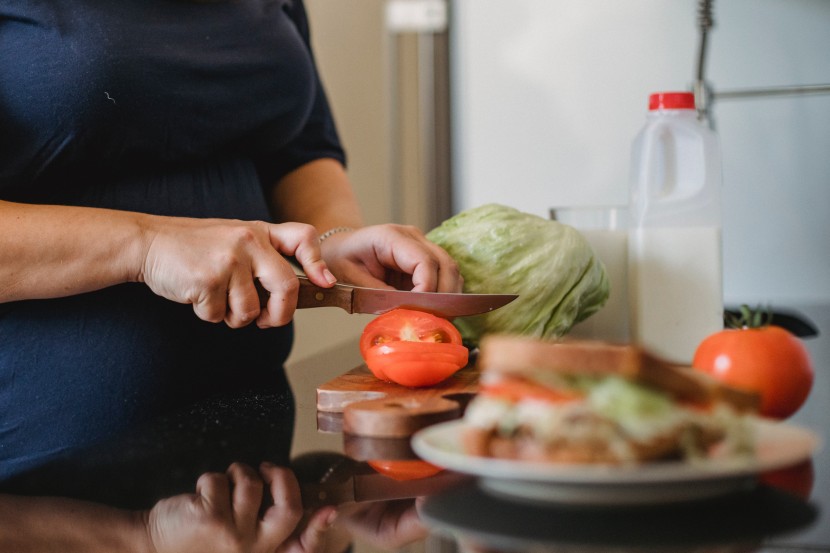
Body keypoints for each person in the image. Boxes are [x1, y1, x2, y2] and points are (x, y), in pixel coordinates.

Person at [0, 0, 459, 550]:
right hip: (51, 477)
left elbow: (298, 148)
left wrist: (333, 242)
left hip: (250, 458)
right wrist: (146, 245)